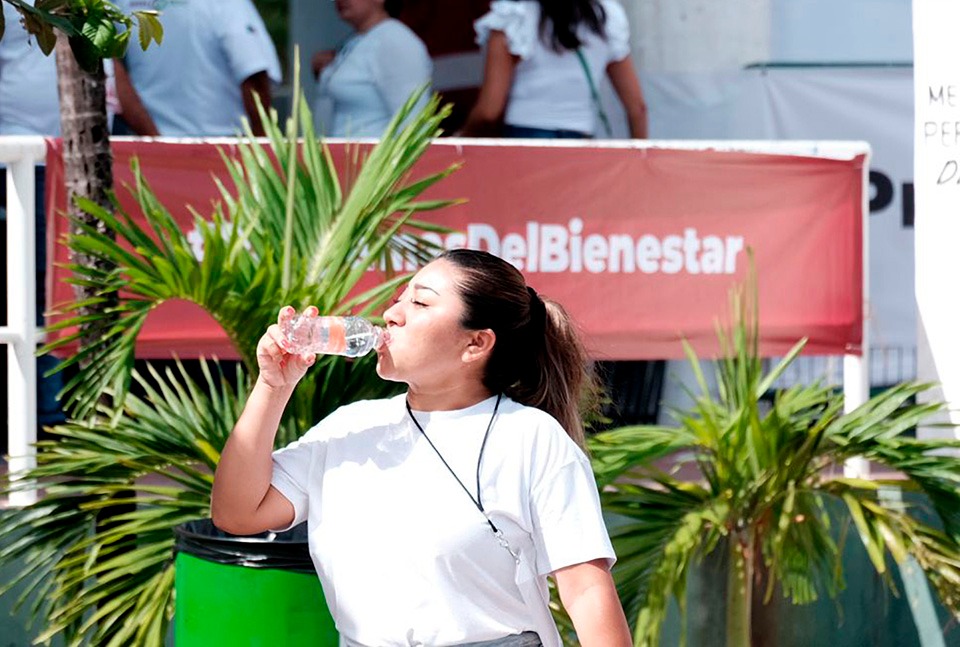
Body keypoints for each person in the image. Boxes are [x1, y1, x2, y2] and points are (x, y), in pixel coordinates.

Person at [211, 249, 632, 646]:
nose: (391, 315)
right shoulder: (349, 428)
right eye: (398, 300)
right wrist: (272, 387)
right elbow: (237, 513)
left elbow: (585, 591)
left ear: (476, 344)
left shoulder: (530, 438)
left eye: (421, 303)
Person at [461, 0, 648, 139]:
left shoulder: (512, 17)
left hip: (524, 138)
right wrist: (639, 163)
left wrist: (460, 140)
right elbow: (637, 108)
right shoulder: (605, 17)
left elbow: (488, 112)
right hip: (580, 141)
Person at [113, 0, 281, 137]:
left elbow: (109, 74)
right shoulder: (229, 5)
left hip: (150, 149)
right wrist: (261, 150)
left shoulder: (121, 4)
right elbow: (253, 74)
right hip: (226, 148)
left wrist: (154, 140)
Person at [312, 0, 432, 137]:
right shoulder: (357, 41)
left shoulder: (395, 40)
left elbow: (413, 122)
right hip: (342, 155)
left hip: (373, 157)